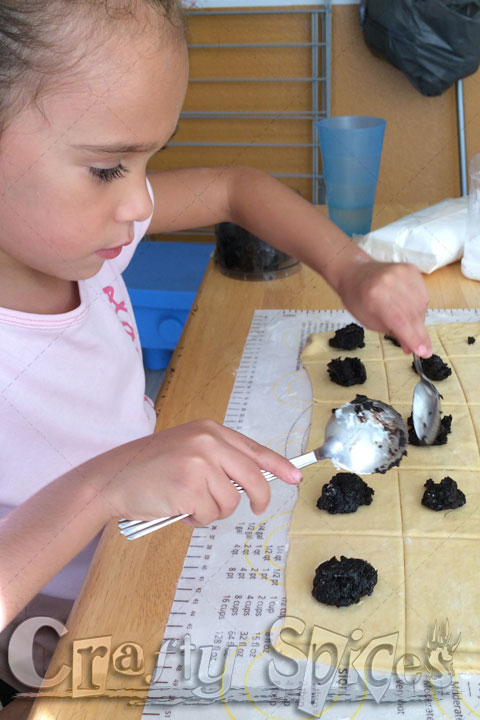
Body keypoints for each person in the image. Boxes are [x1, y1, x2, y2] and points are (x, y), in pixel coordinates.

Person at [0, 0, 431, 709]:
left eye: (150, 161)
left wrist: (351, 270)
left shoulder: (84, 242)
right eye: (108, 168)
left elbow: (236, 187)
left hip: (160, 551)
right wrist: (103, 484)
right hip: (74, 636)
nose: (140, 203)